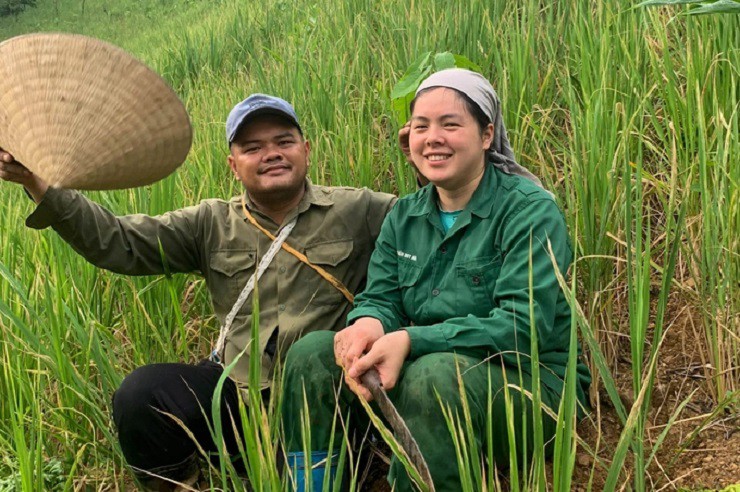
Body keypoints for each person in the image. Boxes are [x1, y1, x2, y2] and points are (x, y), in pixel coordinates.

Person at [0, 94, 395, 490]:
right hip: (239, 395)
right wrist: (38, 183)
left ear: (306, 150)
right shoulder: (210, 223)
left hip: (327, 398)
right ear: (233, 166)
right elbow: (118, 241)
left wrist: (422, 163)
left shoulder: (358, 209)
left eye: (284, 141)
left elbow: (425, 222)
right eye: (252, 148)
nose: (271, 154)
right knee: (142, 395)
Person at [281, 69, 591, 491]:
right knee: (313, 353)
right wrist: (369, 323)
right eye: (421, 126)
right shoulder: (404, 215)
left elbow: (524, 326)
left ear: (486, 134)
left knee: (434, 376)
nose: (433, 137)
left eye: (450, 124)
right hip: (430, 376)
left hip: (530, 387)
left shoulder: (529, 211)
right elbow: (382, 296)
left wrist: (411, 340)